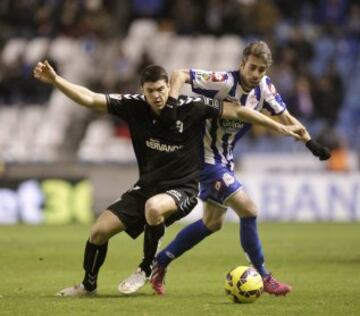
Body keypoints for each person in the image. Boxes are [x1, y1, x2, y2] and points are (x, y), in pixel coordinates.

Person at [33, 61, 302, 297]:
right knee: (98, 231)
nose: (157, 95)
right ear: (143, 91)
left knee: (154, 208)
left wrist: (278, 125)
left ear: (167, 88)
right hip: (147, 187)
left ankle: (147, 265)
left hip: (183, 188)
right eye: (151, 91)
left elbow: (238, 111)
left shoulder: (191, 106)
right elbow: (90, 98)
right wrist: (56, 80)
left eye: (161, 89)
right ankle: (88, 287)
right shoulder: (134, 106)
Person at [119, 41, 330, 296]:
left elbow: (285, 118)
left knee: (211, 223)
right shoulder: (223, 81)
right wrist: (171, 108)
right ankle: (264, 276)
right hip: (205, 159)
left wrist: (310, 143)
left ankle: (160, 262)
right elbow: (179, 74)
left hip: (224, 159)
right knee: (249, 210)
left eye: (261, 69)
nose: (255, 74)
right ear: (242, 64)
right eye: (251, 67)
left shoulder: (264, 88)